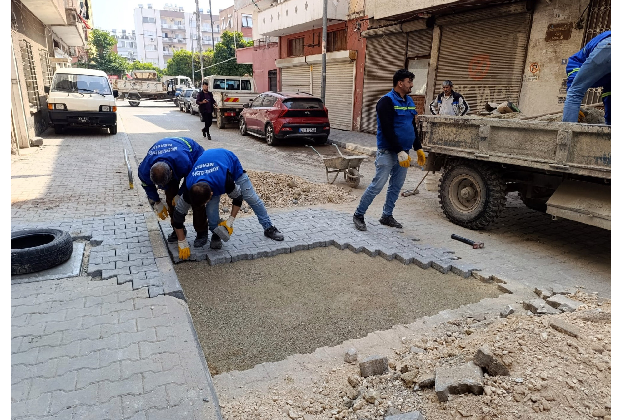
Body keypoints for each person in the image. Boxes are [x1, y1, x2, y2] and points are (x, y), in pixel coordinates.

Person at [171, 148, 284, 260]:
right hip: (209, 169)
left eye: (208, 199)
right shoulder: (190, 187)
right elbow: (178, 216)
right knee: (211, 210)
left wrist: (230, 221)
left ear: (211, 194)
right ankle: (217, 234)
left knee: (251, 198)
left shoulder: (225, 180)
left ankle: (268, 227)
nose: (208, 201)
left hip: (229, 163)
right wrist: (181, 240)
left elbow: (238, 198)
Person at [352, 69, 426, 231]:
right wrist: (399, 151)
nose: (412, 85)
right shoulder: (386, 102)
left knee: (396, 186)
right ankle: (358, 214)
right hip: (388, 151)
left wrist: (418, 148)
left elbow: (412, 126)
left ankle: (387, 215)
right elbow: (386, 129)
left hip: (404, 152)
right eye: (409, 81)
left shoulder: (409, 101)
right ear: (400, 83)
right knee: (377, 185)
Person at [137, 137, 209, 247]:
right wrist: (157, 201)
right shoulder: (144, 169)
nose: (162, 187)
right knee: (171, 199)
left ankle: (202, 232)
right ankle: (178, 229)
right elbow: (147, 185)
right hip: (171, 160)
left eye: (163, 184)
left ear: (171, 173)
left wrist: (180, 194)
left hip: (193, 155)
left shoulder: (184, 162)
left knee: (196, 196)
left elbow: (190, 179)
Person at [562, 31, 611, 125]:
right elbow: (609, 95)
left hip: (607, 48)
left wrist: (573, 108)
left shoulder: (576, 60)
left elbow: (574, 84)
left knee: (575, 91)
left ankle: (567, 133)